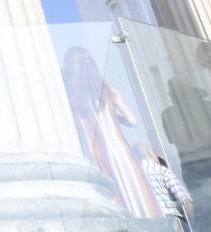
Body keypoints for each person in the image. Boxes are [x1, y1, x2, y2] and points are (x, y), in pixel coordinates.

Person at [63, 46, 162, 220]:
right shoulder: (109, 92)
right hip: (120, 151)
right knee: (135, 191)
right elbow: (132, 121)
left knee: (110, 197)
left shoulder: (71, 98)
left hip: (95, 154)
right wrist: (116, 119)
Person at [138, 147, 193, 232]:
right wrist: (191, 224)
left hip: (147, 225)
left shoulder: (134, 175)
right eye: (155, 153)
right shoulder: (161, 170)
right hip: (171, 221)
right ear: (150, 153)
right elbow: (185, 200)